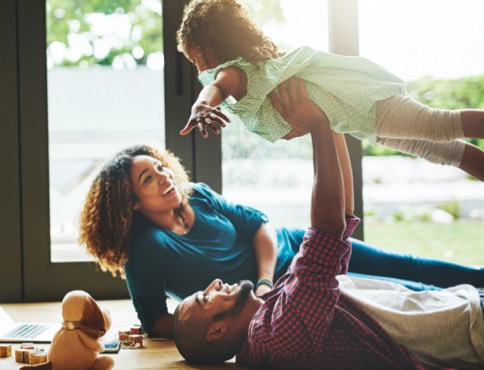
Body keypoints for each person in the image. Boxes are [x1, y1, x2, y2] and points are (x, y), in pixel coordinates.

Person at [78, 80, 483, 340]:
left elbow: (259, 226)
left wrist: (265, 280)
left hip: (297, 250)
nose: (165, 176)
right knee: (405, 296)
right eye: (148, 179)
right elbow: (158, 322)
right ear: (130, 202)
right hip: (292, 298)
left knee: (408, 266)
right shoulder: (145, 249)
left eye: (160, 166)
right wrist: (236, 326)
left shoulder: (196, 195)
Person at [176, 0, 484, 181]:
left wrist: (201, 107)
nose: (200, 70)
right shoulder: (258, 70)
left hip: (365, 105)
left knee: (438, 124)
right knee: (439, 149)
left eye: (197, 60)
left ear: (214, 46)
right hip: (361, 120)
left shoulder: (236, 72)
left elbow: (215, 87)